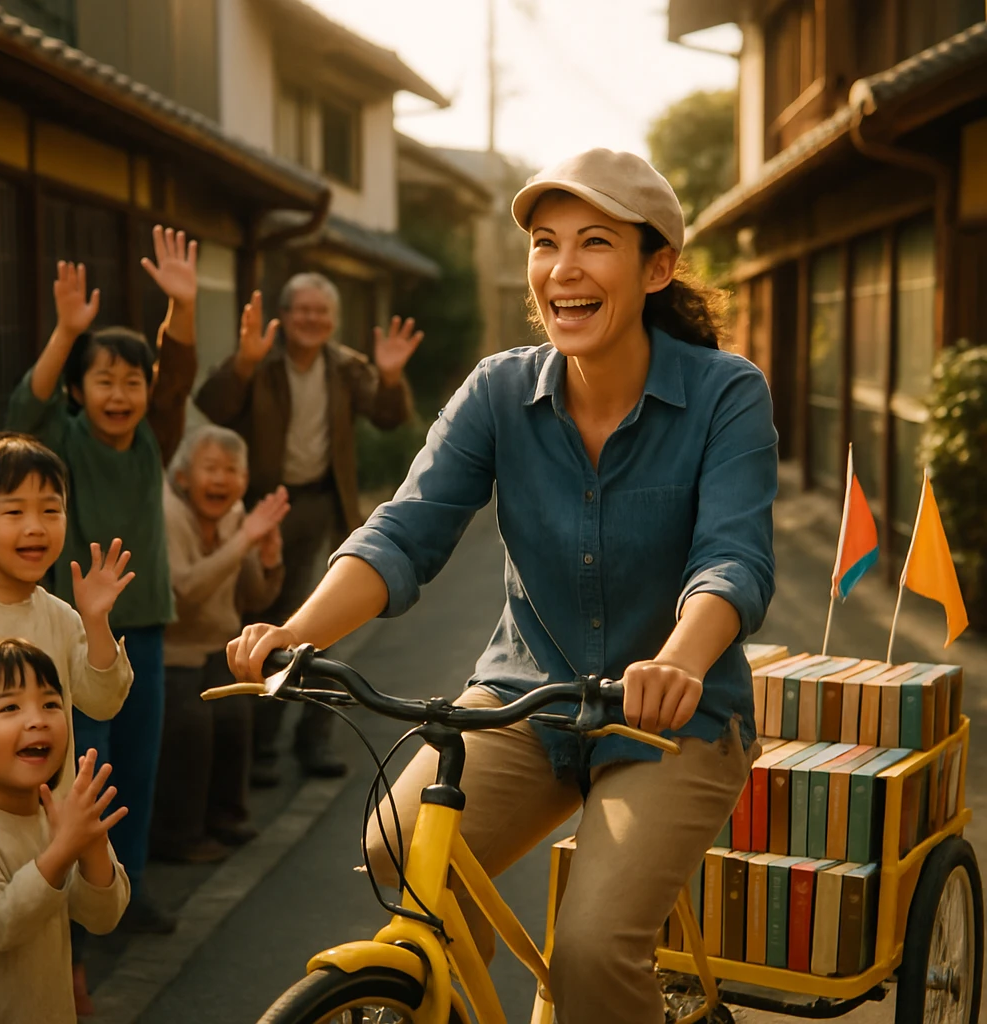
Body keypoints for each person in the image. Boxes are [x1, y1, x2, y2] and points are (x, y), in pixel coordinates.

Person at [228, 149, 778, 1022]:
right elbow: (403, 532)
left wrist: (678, 660)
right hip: (529, 697)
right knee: (398, 849)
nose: (563, 268)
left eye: (595, 242)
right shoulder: (498, 390)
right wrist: (298, 632)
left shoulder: (726, 394)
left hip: (673, 720)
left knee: (592, 953)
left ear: (657, 268)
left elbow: (733, 559)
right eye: (545, 243)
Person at [7, 224, 198, 938]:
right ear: (79, 392)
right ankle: (76, 907)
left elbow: (177, 378)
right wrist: (66, 332)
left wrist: (182, 308)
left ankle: (130, 889)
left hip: (142, 627)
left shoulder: (154, 437)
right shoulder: (63, 442)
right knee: (88, 769)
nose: (120, 394)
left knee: (138, 769)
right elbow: (24, 412)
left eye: (132, 382)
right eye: (104, 381)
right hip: (76, 636)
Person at [196, 273, 422, 784]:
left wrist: (390, 376)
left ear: (333, 320)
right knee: (263, 619)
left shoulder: (345, 367)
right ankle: (261, 746)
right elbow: (213, 405)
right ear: (285, 314)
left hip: (324, 505)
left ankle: (313, 740)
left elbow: (390, 416)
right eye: (303, 309)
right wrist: (244, 363)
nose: (312, 319)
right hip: (266, 507)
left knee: (323, 624)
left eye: (321, 312)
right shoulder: (262, 361)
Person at [0, 639, 130, 1024]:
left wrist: (91, 847)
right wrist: (62, 851)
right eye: (10, 707)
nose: (37, 719)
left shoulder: (57, 817)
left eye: (51, 704)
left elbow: (102, 917)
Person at [0, 433, 135, 798]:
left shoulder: (61, 615)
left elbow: (103, 703)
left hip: (50, 813)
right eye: (14, 512)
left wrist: (95, 620)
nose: (35, 527)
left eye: (50, 510)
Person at [152, 425, 288, 863]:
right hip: (172, 650)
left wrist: (269, 559)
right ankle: (179, 837)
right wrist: (244, 540)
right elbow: (185, 592)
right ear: (183, 476)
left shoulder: (235, 515)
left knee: (235, 717)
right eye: (210, 468)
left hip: (218, 645)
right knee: (191, 727)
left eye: (232, 470)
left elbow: (255, 597)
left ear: (245, 481)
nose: (221, 480)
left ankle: (225, 819)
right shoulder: (167, 513)